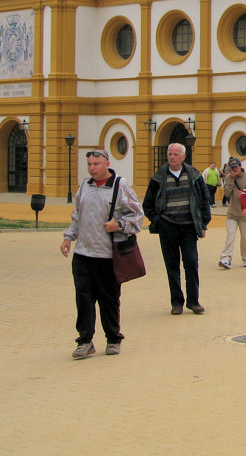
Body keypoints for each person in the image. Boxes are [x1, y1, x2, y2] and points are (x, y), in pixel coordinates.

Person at [60, 148, 144, 359]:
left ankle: (113, 338)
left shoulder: (120, 186)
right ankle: (85, 341)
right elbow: (77, 214)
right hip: (83, 254)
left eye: (96, 164)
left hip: (107, 256)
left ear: (107, 164)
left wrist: (120, 224)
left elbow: (137, 215)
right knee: (83, 299)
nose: (92, 168)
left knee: (109, 299)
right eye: (89, 164)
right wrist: (69, 237)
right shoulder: (85, 186)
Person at [143, 142, 213, 315]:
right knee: (171, 265)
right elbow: (147, 204)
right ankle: (176, 302)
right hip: (168, 227)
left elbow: (204, 199)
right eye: (170, 154)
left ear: (183, 156)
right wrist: (158, 221)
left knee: (191, 262)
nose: (172, 157)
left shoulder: (194, 175)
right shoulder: (159, 176)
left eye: (175, 154)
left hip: (188, 227)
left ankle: (193, 301)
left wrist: (203, 223)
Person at [219, 158, 246, 269]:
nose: (234, 170)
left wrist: (245, 195)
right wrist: (231, 180)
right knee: (230, 236)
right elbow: (227, 193)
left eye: (235, 167)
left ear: (240, 166)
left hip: (245, 213)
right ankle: (225, 258)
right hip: (232, 212)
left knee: (245, 238)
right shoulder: (228, 177)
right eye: (232, 168)